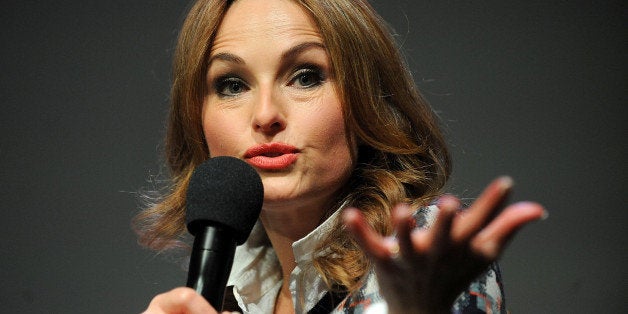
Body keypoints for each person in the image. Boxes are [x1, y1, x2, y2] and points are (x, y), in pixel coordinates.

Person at [134, 0, 546, 313]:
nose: (265, 115)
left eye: (306, 76)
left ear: (367, 99)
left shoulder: (421, 250)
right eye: (231, 84)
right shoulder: (231, 290)